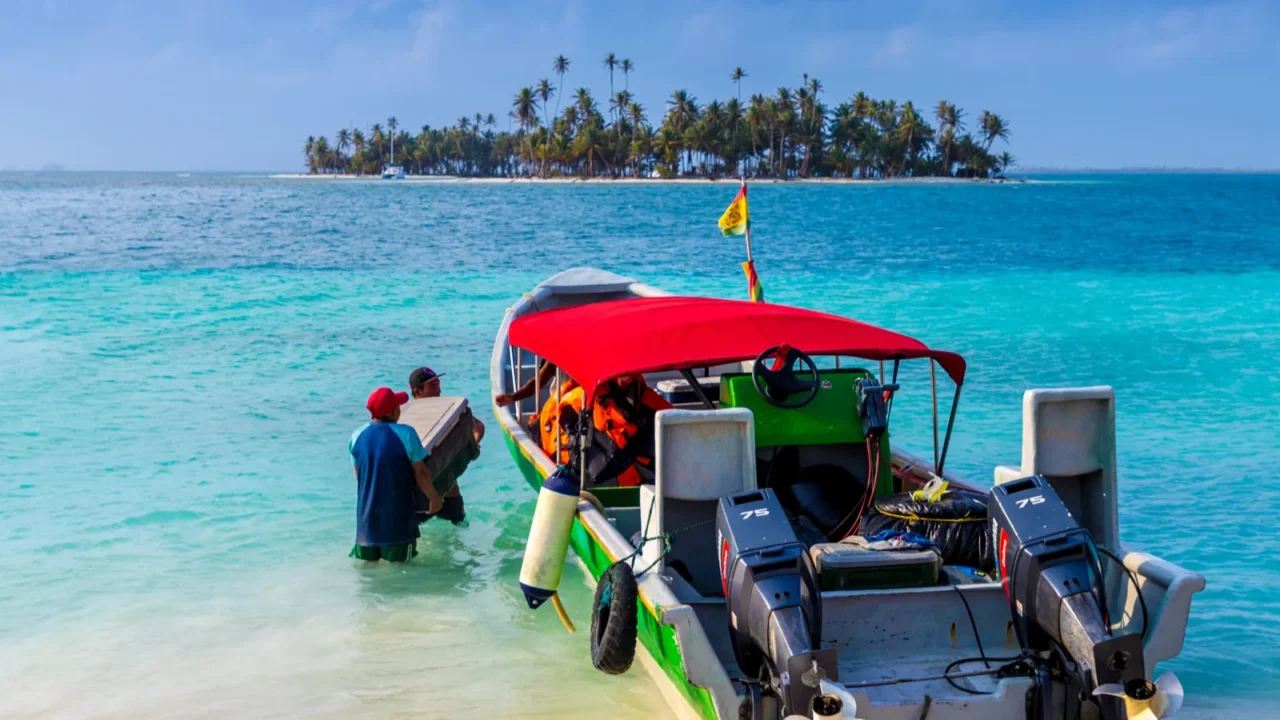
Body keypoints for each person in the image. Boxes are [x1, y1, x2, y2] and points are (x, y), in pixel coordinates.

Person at [349, 387, 442, 562]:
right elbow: (421, 473)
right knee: (401, 571)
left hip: (365, 526)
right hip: (398, 525)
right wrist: (434, 498)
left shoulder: (356, 436)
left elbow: (359, 477)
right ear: (394, 412)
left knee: (368, 572)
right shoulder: (406, 434)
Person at [409, 366, 485, 445]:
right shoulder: (408, 416)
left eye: (438, 384)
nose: (439, 390)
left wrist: (475, 443)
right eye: (433, 386)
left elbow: (478, 426)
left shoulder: (447, 408)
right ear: (418, 392)